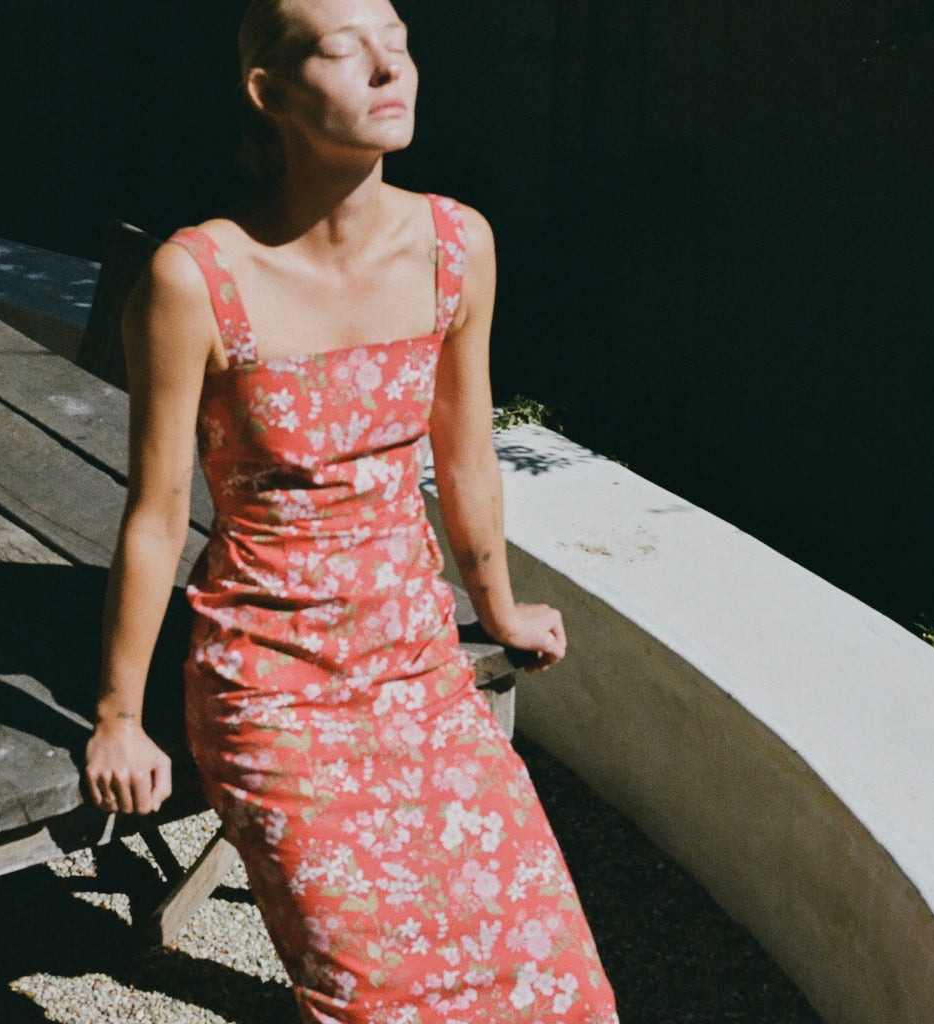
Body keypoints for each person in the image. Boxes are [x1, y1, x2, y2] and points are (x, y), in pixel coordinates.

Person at [85, 0, 620, 1020]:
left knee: (550, 969)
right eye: (347, 48)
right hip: (269, 685)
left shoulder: (457, 244)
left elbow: (463, 456)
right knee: (369, 988)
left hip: (415, 663)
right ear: (270, 94)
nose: (390, 67)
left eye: (400, 42)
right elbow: (155, 515)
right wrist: (118, 716)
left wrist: (497, 612)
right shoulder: (196, 277)